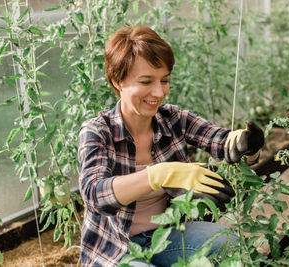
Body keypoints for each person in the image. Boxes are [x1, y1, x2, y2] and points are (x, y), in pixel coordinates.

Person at [78, 25, 264, 267]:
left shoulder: (173, 119)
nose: (158, 92)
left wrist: (247, 145)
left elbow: (222, 141)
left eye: (164, 80)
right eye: (146, 81)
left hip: (165, 236)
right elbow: (94, 195)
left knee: (229, 243)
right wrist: (160, 174)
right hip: (115, 248)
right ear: (117, 81)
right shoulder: (98, 131)